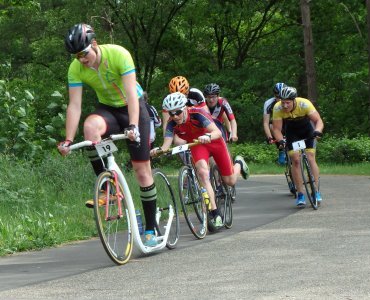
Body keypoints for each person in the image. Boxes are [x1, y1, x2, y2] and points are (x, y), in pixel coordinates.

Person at [58, 23, 158, 247]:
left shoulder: (118, 54)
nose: (81, 60)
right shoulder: (76, 68)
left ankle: (151, 226)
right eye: (76, 56)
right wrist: (68, 139)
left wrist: (133, 126)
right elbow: (74, 105)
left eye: (84, 54)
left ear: (94, 44)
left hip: (133, 108)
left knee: (142, 170)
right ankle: (108, 188)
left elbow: (132, 95)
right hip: (109, 111)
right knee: (90, 129)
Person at [151, 92, 249, 227]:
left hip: (215, 142)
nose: (175, 116)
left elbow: (217, 132)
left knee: (230, 180)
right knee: (203, 173)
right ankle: (215, 213)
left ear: (185, 108)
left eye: (178, 112)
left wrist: (208, 136)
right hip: (197, 145)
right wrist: (159, 150)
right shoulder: (171, 123)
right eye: (171, 113)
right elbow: (166, 144)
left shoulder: (197, 113)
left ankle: (239, 163)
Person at [272, 86, 324, 207]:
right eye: (283, 102)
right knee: (295, 160)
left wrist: (318, 130)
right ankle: (300, 194)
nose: (285, 106)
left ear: (294, 100)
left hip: (307, 130)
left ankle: (315, 191)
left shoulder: (304, 104)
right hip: (292, 133)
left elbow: (318, 120)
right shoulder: (277, 108)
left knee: (311, 157)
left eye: (287, 103)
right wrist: (281, 141)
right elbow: (276, 129)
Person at [263, 82, 287, 165]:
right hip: (277, 123)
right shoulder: (269, 103)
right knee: (271, 125)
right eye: (277, 97)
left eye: (282, 97)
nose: (280, 100)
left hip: (289, 121)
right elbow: (265, 123)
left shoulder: (290, 101)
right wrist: (269, 137)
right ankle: (281, 150)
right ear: (274, 95)